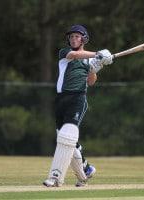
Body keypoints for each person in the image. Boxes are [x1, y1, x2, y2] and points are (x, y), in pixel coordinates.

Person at [43, 25, 113, 187]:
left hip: (78, 99)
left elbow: (91, 82)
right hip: (61, 99)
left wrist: (95, 68)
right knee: (65, 140)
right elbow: (75, 55)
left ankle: (55, 178)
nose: (74, 39)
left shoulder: (89, 60)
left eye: (77, 36)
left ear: (84, 39)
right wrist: (98, 54)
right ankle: (85, 173)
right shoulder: (65, 53)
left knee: (67, 137)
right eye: (72, 37)